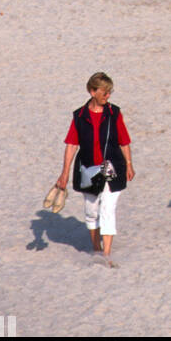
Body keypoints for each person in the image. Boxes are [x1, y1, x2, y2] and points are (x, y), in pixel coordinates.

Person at [54, 71, 134, 266]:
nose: (108, 96)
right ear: (92, 92)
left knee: (108, 208)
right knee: (91, 210)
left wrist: (129, 165)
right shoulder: (79, 116)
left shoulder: (114, 113)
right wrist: (64, 174)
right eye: (104, 92)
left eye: (109, 92)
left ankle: (106, 253)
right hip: (87, 167)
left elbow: (124, 141)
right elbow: (72, 145)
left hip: (111, 166)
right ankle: (96, 248)